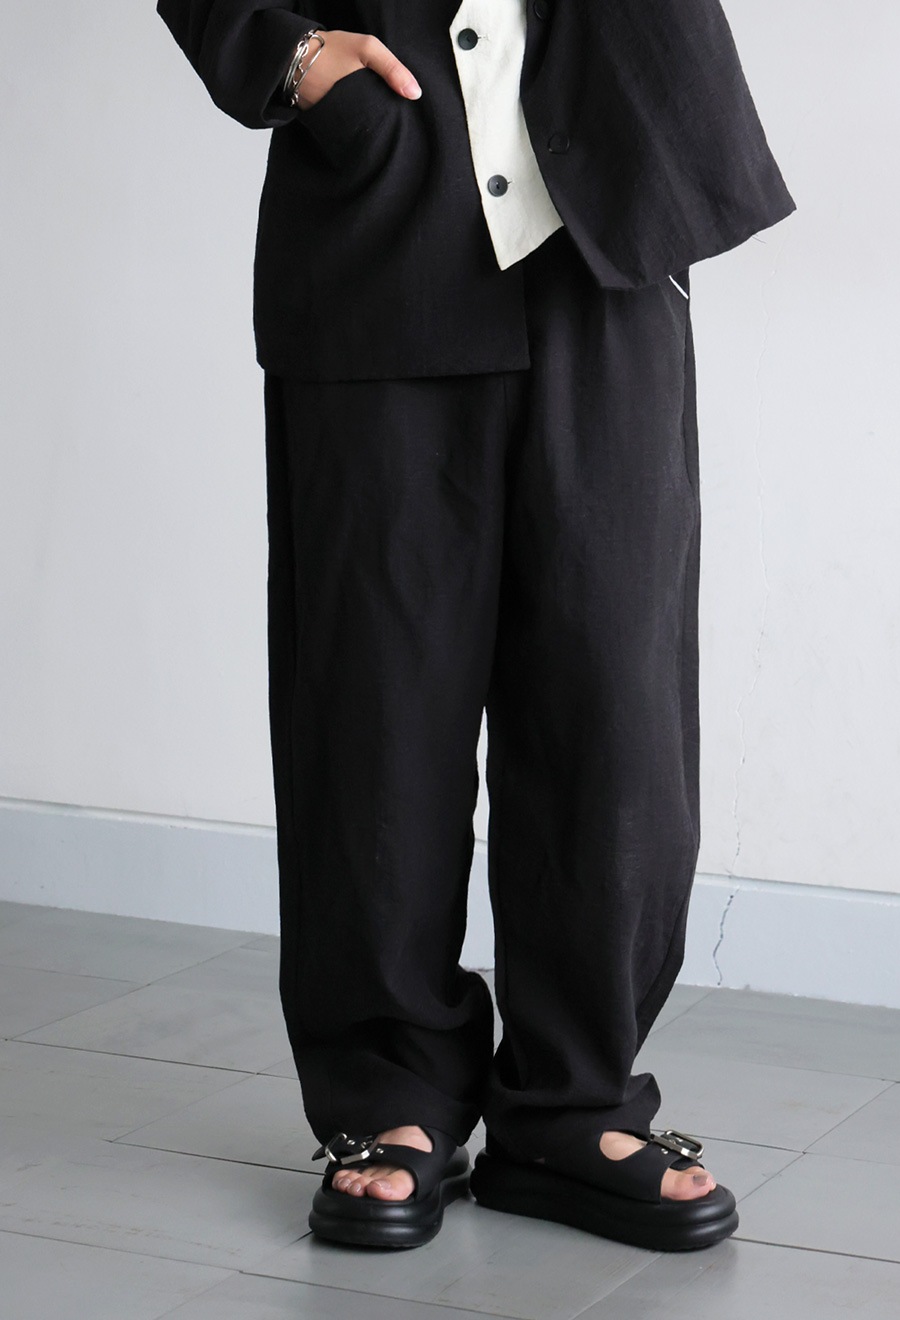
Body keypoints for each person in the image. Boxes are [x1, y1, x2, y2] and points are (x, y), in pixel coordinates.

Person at [157, 0, 795, 1254]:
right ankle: (389, 1093)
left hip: (607, 230)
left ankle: (573, 1101)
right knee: (375, 706)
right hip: (380, 226)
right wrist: (292, 58)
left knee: (615, 705)